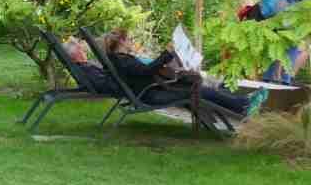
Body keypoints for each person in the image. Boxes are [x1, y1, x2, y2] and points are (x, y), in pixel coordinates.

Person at [102, 29, 267, 120]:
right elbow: (146, 71)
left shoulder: (120, 59)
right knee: (199, 91)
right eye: (129, 39)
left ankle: (239, 102)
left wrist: (167, 61)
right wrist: (166, 53)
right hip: (151, 95)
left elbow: (144, 71)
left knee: (197, 85)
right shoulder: (122, 60)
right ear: (121, 42)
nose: (131, 41)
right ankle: (242, 106)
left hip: (153, 90)